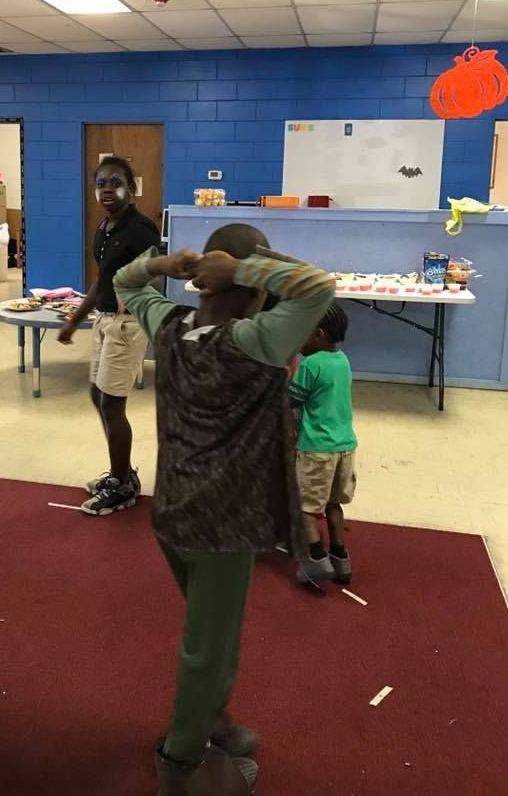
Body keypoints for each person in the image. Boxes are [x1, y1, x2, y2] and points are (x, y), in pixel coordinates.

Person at [113, 224, 334, 796]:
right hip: (224, 523)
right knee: (209, 648)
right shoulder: (259, 340)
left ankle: (212, 719)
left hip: (172, 513)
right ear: (255, 287)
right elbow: (318, 286)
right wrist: (242, 267)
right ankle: (181, 762)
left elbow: (123, 281)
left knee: (206, 630)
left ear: (201, 284)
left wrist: (168, 264)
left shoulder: (170, 326)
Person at [58, 156, 160, 516]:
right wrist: (75, 320)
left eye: (115, 182)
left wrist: (131, 301)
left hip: (126, 324)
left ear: (130, 189)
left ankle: (123, 486)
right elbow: (101, 279)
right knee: (96, 394)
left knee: (112, 404)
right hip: (103, 320)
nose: (106, 189)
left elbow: (153, 276)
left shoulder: (142, 229)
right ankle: (123, 473)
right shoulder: (103, 229)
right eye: (101, 183)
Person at [289, 303, 357, 587]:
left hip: (317, 449)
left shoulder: (310, 366)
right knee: (333, 503)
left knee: (305, 508)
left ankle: (316, 561)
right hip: (345, 447)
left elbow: (291, 400)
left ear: (318, 334)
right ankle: (340, 557)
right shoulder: (342, 361)